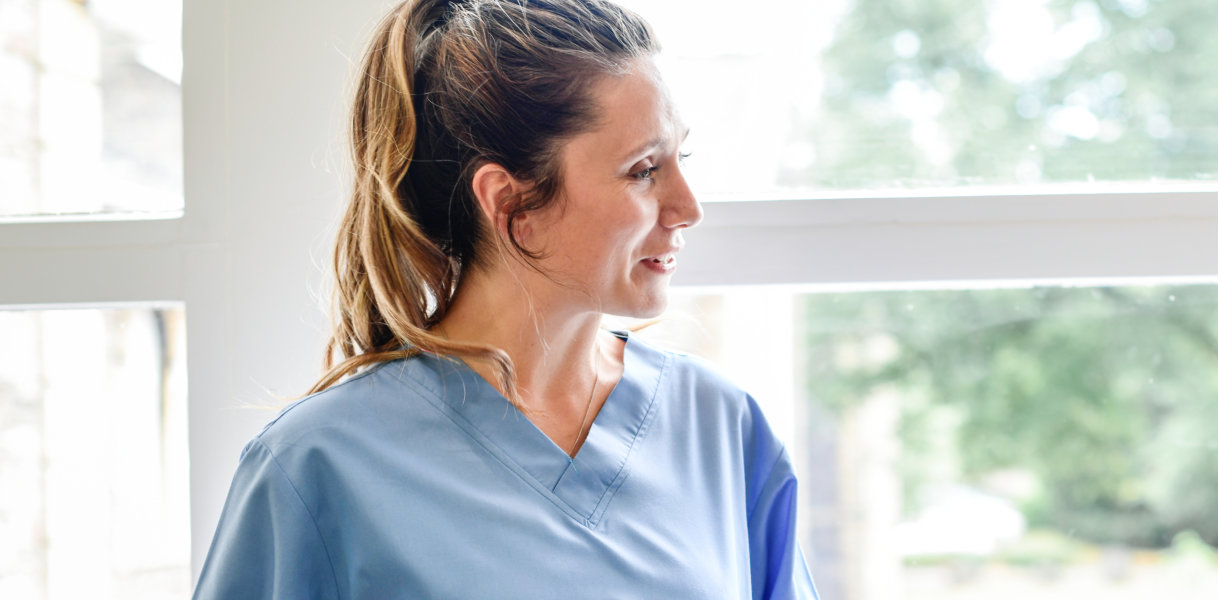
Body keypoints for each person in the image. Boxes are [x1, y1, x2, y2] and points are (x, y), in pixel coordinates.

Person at [193, 1, 817, 597]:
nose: (689, 208)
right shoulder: (315, 468)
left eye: (681, 157)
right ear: (510, 202)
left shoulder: (723, 430)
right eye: (643, 170)